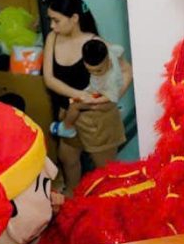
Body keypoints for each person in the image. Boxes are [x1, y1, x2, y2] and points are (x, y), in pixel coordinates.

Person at [42, 0, 120, 194]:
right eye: (50, 20)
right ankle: (73, 198)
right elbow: (49, 79)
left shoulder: (94, 43)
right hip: (69, 115)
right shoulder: (52, 38)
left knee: (106, 172)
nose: (52, 26)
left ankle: (110, 204)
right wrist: (79, 95)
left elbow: (126, 70)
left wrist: (111, 96)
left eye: (56, 20)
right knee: (67, 159)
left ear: (74, 18)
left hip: (96, 119)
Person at [50, 40, 132, 191]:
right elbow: (118, 49)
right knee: (67, 158)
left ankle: (66, 126)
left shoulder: (109, 78)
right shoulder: (105, 50)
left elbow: (111, 97)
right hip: (80, 111)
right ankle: (73, 191)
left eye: (99, 70)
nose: (95, 73)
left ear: (108, 61)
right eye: (90, 70)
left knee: (105, 169)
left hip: (97, 109)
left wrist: (91, 101)